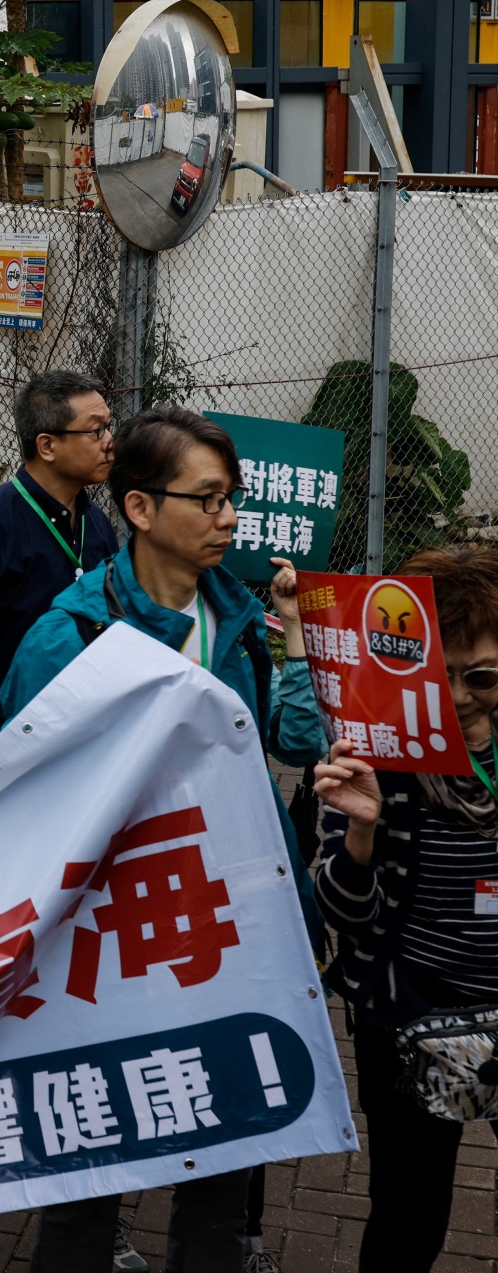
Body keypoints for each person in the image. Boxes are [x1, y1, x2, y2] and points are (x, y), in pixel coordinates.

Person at [0, 404, 324, 1273]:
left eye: (234, 501)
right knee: (88, 1168)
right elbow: (24, 800)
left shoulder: (244, 621)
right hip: (110, 944)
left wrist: (294, 641)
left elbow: (292, 744)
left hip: (229, 933)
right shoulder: (69, 637)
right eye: (208, 500)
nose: (228, 519)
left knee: (221, 1172)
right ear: (140, 509)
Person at [312, 545, 498, 1272]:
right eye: (436, 674)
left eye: (482, 676)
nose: (459, 697)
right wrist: (360, 826)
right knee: (409, 1213)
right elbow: (344, 911)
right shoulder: (374, 752)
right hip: (408, 1014)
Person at [0, 369, 119, 798]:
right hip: (0, 736)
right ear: (47, 445)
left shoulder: (98, 525)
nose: (109, 441)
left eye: (109, 426)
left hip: (77, 732)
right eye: (95, 430)